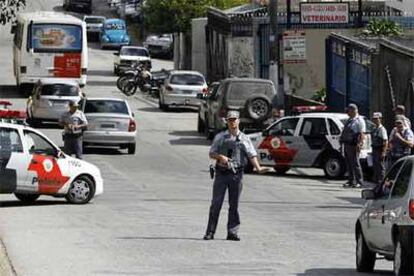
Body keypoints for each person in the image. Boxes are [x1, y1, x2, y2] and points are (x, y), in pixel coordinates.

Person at [203, 110, 267, 241]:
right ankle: (210, 232)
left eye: (234, 119)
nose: (232, 122)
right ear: (227, 122)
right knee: (216, 204)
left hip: (236, 175)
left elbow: (251, 154)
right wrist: (220, 157)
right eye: (230, 120)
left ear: (239, 121)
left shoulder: (244, 138)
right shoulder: (220, 137)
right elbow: (211, 153)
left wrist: (258, 168)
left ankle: (232, 232)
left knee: (234, 205)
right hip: (221, 174)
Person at [340, 103, 366, 188]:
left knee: (355, 163)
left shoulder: (359, 120)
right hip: (347, 144)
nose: (347, 112)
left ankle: (359, 181)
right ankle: (351, 181)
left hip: (354, 145)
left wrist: (360, 144)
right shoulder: (349, 120)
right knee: (349, 163)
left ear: (353, 111)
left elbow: (362, 133)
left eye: (349, 110)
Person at [370, 112, 388, 185]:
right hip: (374, 149)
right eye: (374, 119)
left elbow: (385, 141)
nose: (375, 120)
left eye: (376, 119)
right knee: (375, 166)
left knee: (381, 166)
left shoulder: (382, 129)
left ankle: (382, 182)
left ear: (380, 119)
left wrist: (383, 152)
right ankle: (377, 181)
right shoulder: (374, 128)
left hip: (380, 149)